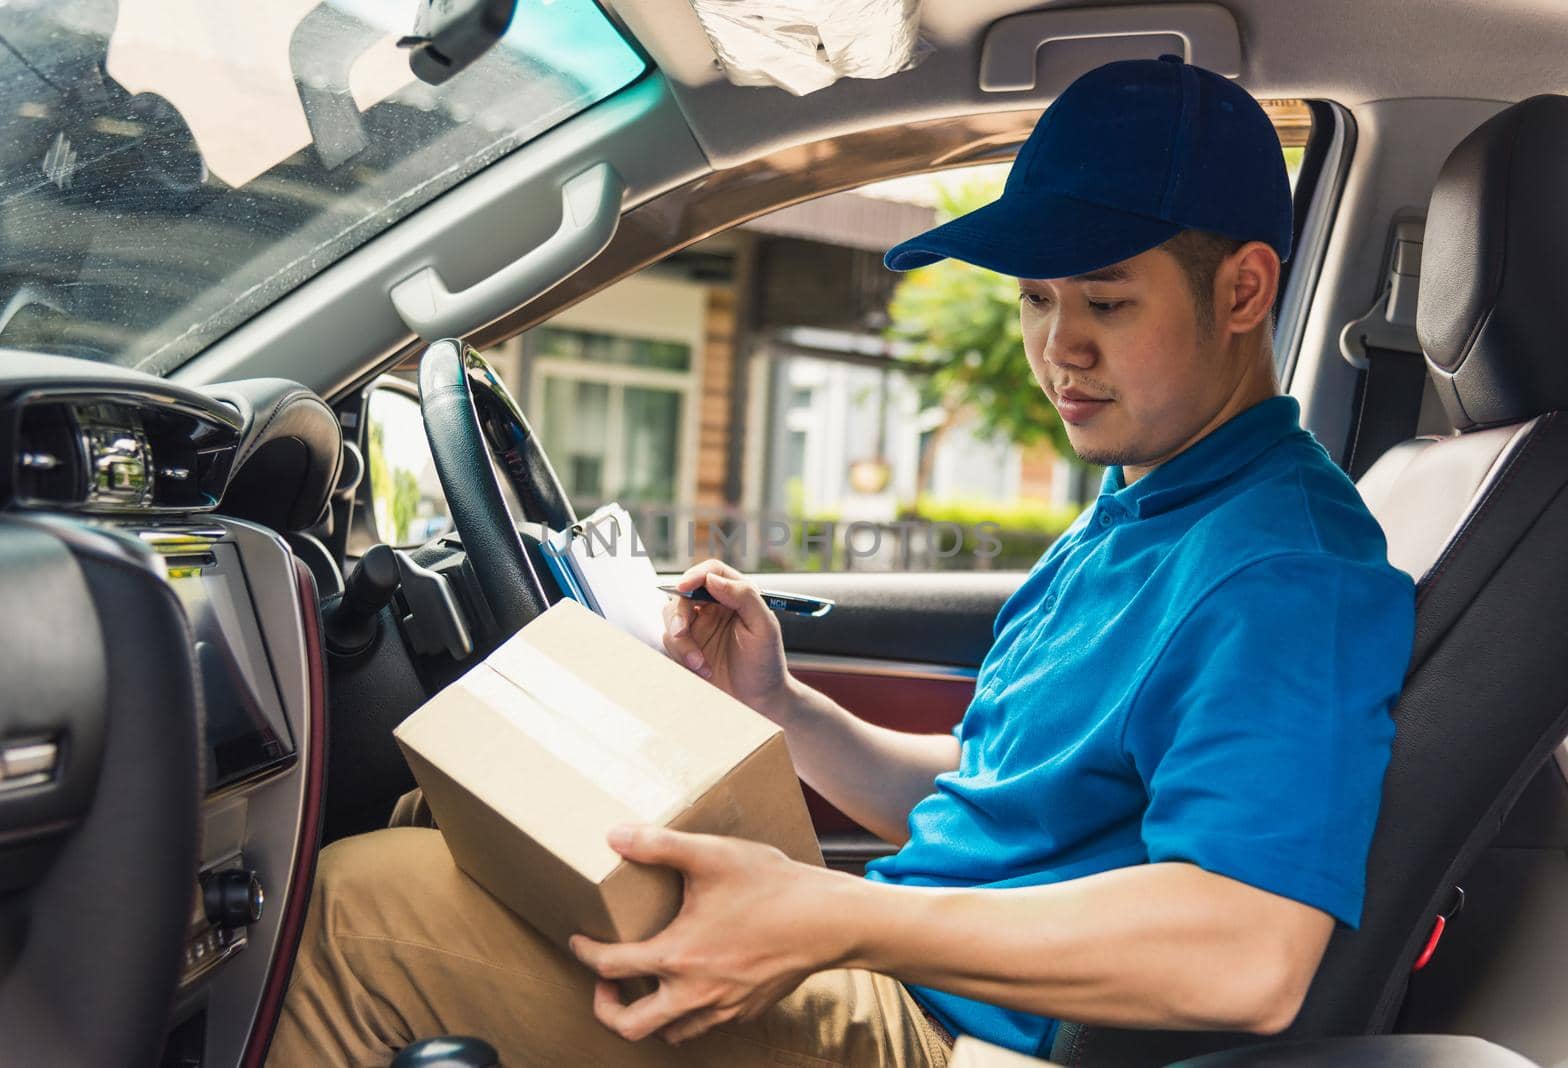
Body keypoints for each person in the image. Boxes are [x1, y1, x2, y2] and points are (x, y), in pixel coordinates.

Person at [270, 55, 1414, 1067]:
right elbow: (992, 798)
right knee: (447, 829)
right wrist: (781, 707)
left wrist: (832, 918)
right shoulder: (1145, 507)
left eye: (1106, 301)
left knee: (350, 921)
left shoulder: (1281, 574)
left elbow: (1247, 957)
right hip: (903, 975)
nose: (1057, 350)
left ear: (1244, 291)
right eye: (1034, 299)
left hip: (949, 1037)